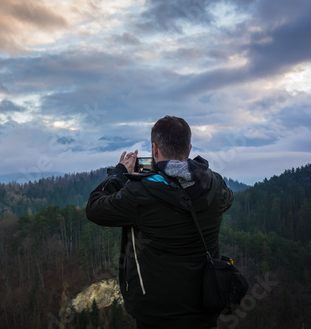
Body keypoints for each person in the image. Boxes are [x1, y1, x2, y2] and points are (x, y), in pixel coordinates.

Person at [86, 116, 233, 329]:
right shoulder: (214, 185)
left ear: (154, 149)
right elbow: (226, 198)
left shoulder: (140, 194)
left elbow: (94, 208)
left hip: (156, 315)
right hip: (205, 308)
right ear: (189, 148)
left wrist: (121, 173)